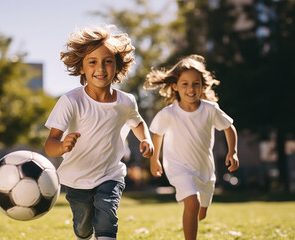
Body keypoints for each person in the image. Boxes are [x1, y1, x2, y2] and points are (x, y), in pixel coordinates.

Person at [44, 25, 154, 240]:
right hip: (77, 179)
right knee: (83, 228)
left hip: (110, 174)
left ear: (117, 65)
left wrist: (146, 139)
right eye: (92, 62)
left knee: (106, 217)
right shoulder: (71, 101)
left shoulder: (126, 101)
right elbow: (50, 144)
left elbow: (137, 123)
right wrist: (62, 145)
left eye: (108, 61)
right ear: (82, 67)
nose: (100, 68)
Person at [144, 54, 239, 240]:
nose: (190, 88)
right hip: (178, 166)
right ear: (175, 86)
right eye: (185, 83)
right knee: (192, 203)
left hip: (204, 169)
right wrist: (154, 160)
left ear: (202, 86)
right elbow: (158, 135)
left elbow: (229, 128)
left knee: (200, 212)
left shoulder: (211, 109)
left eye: (196, 83)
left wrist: (232, 151)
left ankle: (199, 209)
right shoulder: (168, 113)